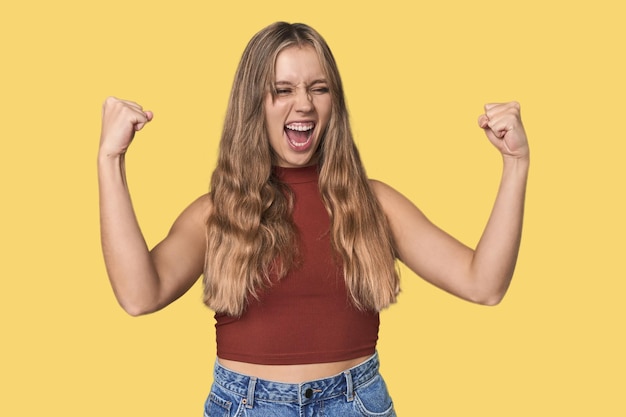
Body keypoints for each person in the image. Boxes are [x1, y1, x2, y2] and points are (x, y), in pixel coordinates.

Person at [98, 22, 529, 417]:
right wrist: (110, 159)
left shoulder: (373, 203)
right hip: (246, 406)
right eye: (282, 90)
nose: (303, 103)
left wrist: (516, 163)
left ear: (333, 102)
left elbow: (483, 284)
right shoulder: (217, 211)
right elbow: (140, 295)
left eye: (318, 88)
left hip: (356, 403)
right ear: (254, 105)